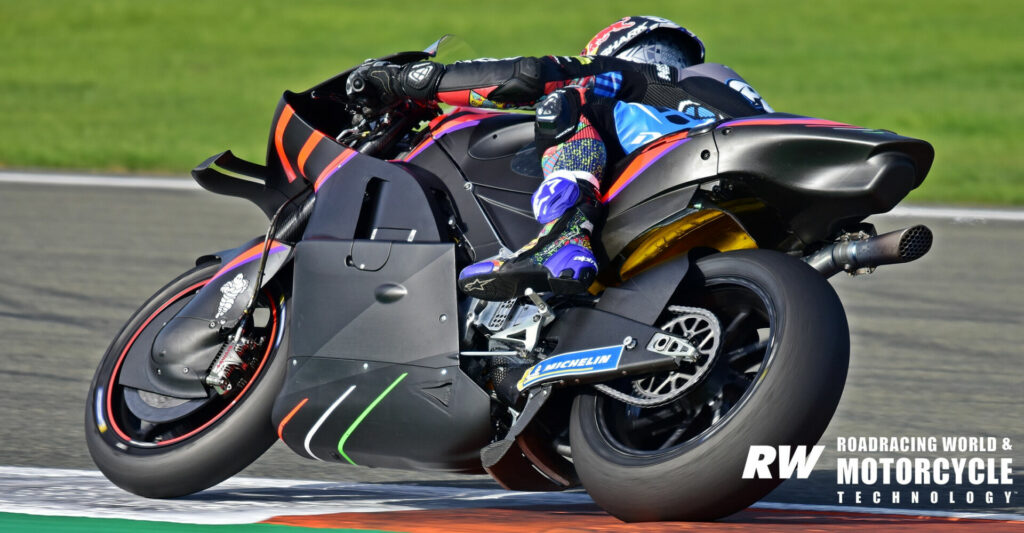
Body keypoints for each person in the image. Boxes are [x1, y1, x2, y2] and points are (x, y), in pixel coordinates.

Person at [348, 16, 772, 301]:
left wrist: (415, 81)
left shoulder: (638, 78)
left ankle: (565, 235)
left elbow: (528, 74)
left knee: (565, 96)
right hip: (750, 202)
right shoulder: (730, 92)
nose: (667, 63)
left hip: (681, 173)